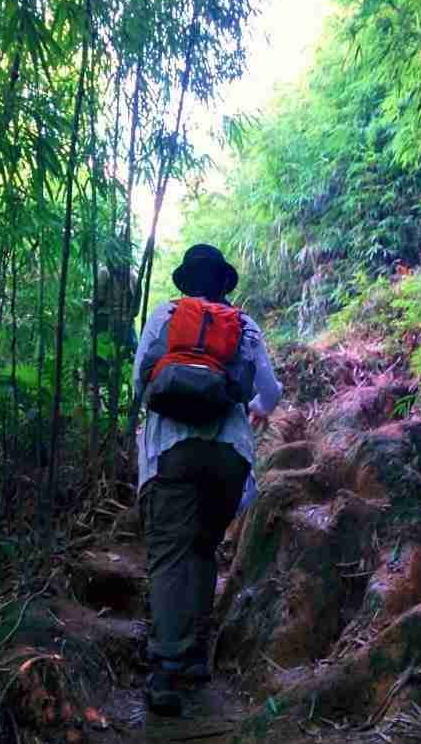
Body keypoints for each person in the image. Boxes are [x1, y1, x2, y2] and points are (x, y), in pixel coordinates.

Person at [132, 244, 282, 716]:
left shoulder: (164, 315)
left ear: (185, 283)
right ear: (222, 283)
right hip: (228, 456)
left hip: (171, 452)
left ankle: (165, 669)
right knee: (201, 548)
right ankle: (194, 653)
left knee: (170, 554)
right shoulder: (245, 325)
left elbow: (140, 382)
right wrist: (254, 411)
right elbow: (270, 392)